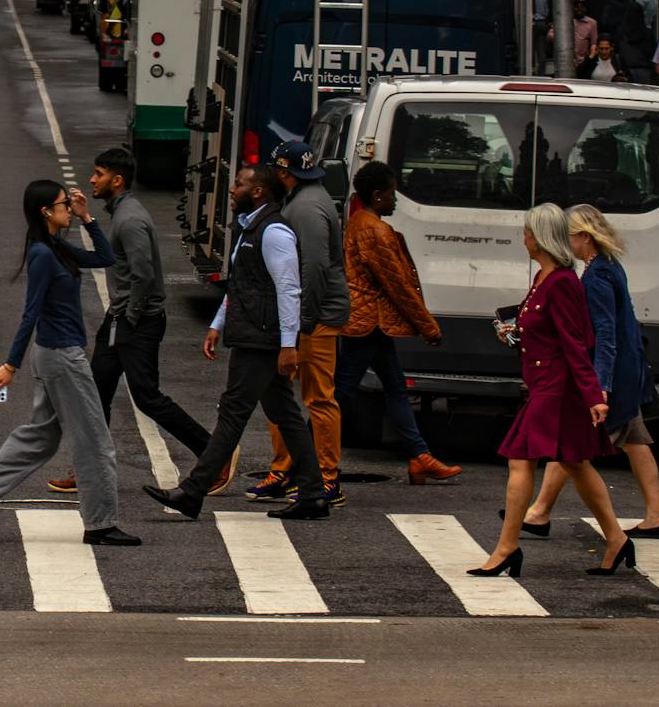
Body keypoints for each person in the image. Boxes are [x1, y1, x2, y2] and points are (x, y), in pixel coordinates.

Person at [0, 180, 141, 546]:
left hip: (57, 355)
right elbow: (29, 313)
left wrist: (87, 218)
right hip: (62, 358)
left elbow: (105, 258)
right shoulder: (41, 254)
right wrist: (10, 365)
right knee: (95, 441)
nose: (69, 205)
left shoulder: (56, 247)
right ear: (45, 212)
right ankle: (100, 525)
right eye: (64, 203)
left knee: (41, 437)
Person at [144, 165, 328, 522]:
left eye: (239, 184)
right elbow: (243, 285)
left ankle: (193, 491)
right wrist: (217, 324)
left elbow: (289, 290)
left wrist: (290, 345)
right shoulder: (251, 228)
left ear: (258, 192)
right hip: (253, 333)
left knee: (233, 413)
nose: (232, 189)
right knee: (286, 415)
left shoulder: (274, 231)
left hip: (262, 339)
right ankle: (313, 495)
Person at [49, 149, 222, 495]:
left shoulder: (130, 220)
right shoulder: (121, 213)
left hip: (136, 321)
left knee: (147, 397)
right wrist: (86, 217)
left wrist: (128, 317)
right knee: (95, 393)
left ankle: (214, 456)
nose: (92, 180)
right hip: (122, 319)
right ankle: (89, 469)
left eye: (98, 174)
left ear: (117, 180)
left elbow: (143, 276)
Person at [471, 203, 631, 579]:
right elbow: (542, 330)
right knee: (575, 461)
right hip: (546, 383)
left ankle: (507, 547)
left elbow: (576, 343)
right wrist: (514, 334)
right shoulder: (545, 276)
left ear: (540, 238)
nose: (523, 238)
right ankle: (616, 537)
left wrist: (595, 394)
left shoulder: (561, 282)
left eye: (527, 232)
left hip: (558, 387)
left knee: (521, 459)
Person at [517, 204, 659, 539]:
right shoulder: (610, 266)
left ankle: (540, 512)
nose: (562, 241)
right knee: (634, 439)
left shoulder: (596, 277)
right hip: (629, 367)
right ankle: (656, 515)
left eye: (567, 235)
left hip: (610, 374)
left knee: (571, 446)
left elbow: (604, 333)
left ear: (584, 236)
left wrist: (599, 385)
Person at [337, 162, 461, 485]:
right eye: (392, 194)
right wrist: (428, 326)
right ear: (377, 196)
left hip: (372, 324)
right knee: (342, 394)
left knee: (393, 389)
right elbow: (398, 285)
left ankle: (420, 456)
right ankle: (305, 456)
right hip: (368, 324)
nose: (396, 201)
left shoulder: (359, 222)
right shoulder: (374, 230)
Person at [249, 141, 348, 505]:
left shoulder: (305, 208)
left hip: (315, 317)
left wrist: (301, 322)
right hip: (309, 314)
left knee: (317, 398)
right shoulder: (306, 198)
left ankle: (326, 477)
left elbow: (315, 268)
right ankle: (286, 469)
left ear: (284, 173)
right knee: (281, 395)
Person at [569, 0, 599, 65]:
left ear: (586, 8)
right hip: (567, 61)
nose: (579, 9)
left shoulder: (592, 23)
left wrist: (590, 58)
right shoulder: (566, 21)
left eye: (582, 6)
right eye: (576, 6)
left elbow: (594, 43)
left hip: (583, 61)